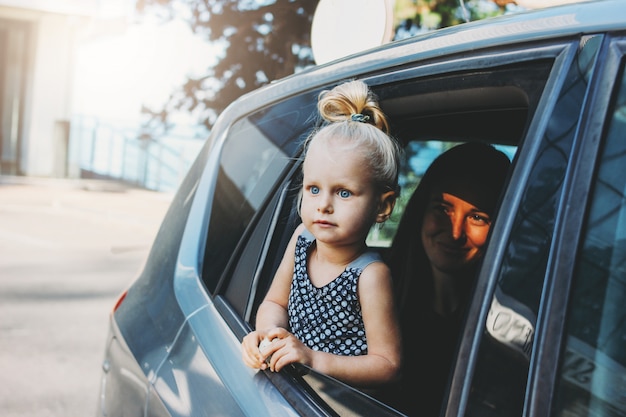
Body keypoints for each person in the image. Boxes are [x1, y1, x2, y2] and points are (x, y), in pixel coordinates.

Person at [241, 79, 403, 389]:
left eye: (343, 193)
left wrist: (314, 359)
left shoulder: (370, 275)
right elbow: (275, 303)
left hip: (337, 401)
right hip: (293, 387)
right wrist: (267, 335)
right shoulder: (302, 239)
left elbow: (388, 364)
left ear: (383, 206)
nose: (324, 205)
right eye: (314, 189)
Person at [385, 142, 511, 416]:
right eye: (442, 209)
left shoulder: (508, 327)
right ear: (420, 210)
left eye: (477, 217)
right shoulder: (376, 297)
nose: (455, 233)